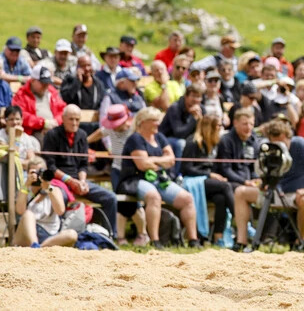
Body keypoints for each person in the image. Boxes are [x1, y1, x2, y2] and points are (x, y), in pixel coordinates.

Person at [119, 107, 200, 249]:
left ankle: (193, 240)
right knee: (154, 197)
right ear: (143, 122)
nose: (158, 124)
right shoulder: (135, 139)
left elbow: (171, 160)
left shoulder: (160, 137)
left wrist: (153, 160)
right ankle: (155, 241)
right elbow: (143, 165)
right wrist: (161, 160)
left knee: (187, 199)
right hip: (135, 179)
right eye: (154, 121)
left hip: (159, 179)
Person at [42, 104, 118, 237]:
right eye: (71, 119)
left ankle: (111, 235)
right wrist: (70, 181)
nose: (74, 123)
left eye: (77, 119)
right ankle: (59, 235)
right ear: (63, 118)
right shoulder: (52, 135)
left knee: (110, 198)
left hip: (78, 180)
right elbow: (51, 167)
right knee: (60, 199)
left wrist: (82, 182)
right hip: (60, 181)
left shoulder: (82, 135)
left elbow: (83, 164)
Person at [88, 103, 149, 246]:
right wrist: (83, 143)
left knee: (135, 202)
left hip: (134, 171)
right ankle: (120, 237)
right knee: (120, 201)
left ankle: (143, 234)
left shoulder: (135, 130)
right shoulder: (110, 128)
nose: (113, 126)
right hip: (117, 170)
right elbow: (99, 133)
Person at [263, 117, 304, 248]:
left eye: (280, 141)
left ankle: (300, 243)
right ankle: (243, 243)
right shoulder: (271, 148)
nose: (277, 145)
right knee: (242, 193)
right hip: (283, 194)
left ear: (286, 136)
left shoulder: (298, 142)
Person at [181, 114, 235, 245]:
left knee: (221, 199)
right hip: (193, 181)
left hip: (207, 182)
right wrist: (209, 175)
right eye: (218, 126)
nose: (221, 128)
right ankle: (241, 220)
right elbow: (186, 169)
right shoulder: (192, 142)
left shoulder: (215, 144)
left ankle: (217, 237)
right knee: (226, 186)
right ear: (209, 127)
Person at [216, 108, 260, 250]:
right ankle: (245, 232)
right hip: (231, 181)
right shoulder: (226, 140)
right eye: (245, 124)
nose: (248, 128)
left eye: (251, 124)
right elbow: (225, 169)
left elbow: (255, 168)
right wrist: (245, 182)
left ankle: (264, 237)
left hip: (251, 182)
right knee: (237, 191)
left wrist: (255, 180)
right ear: (235, 123)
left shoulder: (255, 141)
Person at [12, 157, 78, 247]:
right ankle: (34, 244)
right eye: (33, 172)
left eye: (40, 172)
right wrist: (27, 184)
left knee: (72, 234)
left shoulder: (54, 189)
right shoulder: (25, 189)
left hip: (48, 235)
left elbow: (60, 211)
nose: (37, 176)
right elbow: (20, 211)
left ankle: (39, 248)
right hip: (26, 234)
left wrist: (47, 187)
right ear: (27, 173)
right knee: (28, 214)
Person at [12, 64, 66, 138]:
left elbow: (63, 110)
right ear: (33, 81)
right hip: (34, 132)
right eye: (43, 83)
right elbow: (20, 115)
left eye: (48, 83)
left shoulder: (51, 91)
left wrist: (55, 122)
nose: (46, 86)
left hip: (55, 128)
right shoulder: (21, 95)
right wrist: (43, 123)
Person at [159, 82, 205, 165]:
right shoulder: (175, 108)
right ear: (186, 96)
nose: (196, 99)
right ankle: (178, 174)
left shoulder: (201, 109)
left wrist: (201, 119)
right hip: (167, 138)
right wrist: (194, 119)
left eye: (198, 97)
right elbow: (179, 133)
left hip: (187, 138)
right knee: (181, 143)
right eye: (193, 96)